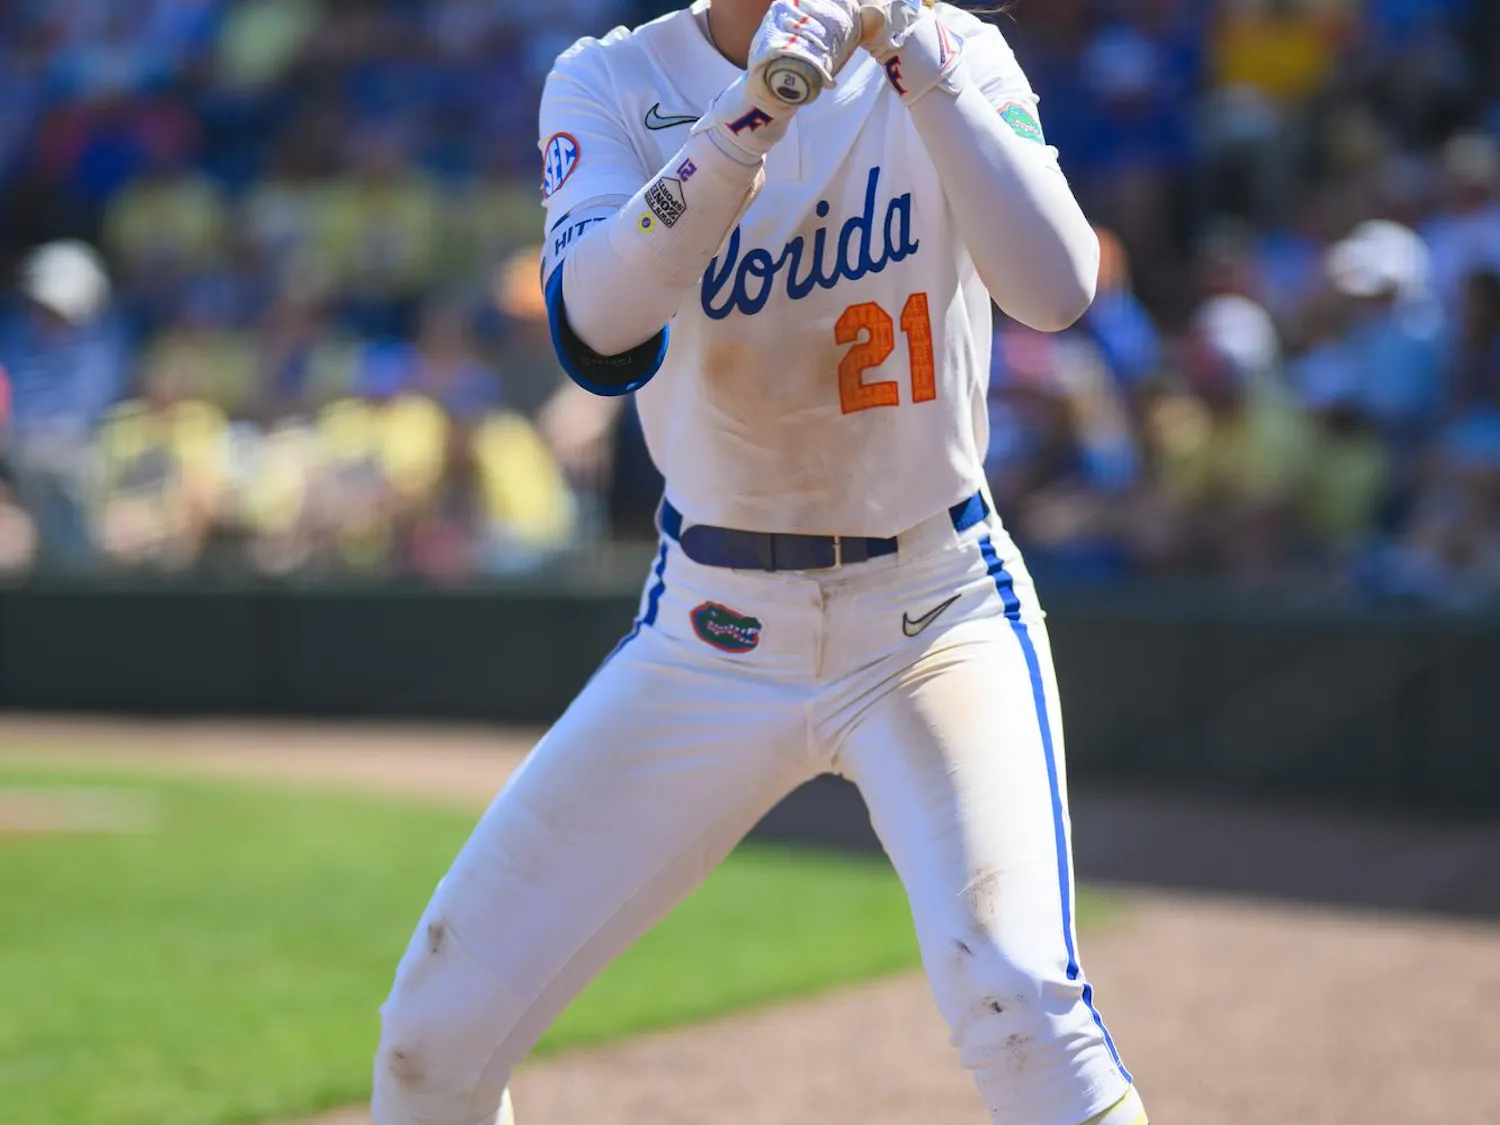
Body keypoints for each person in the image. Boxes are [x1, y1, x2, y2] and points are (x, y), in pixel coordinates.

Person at [372, 4, 1146, 1125]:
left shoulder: (950, 49)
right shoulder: (610, 77)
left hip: (933, 610)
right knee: (434, 1032)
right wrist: (752, 114)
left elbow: (1058, 289)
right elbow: (596, 328)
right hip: (710, 630)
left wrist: (917, 61)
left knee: (1018, 994)